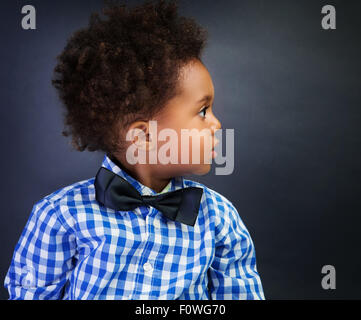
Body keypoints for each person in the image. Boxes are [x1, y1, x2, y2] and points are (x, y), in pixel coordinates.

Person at [4, 0, 265, 300]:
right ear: (143, 136)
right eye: (203, 111)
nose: (217, 124)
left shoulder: (219, 219)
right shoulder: (59, 216)